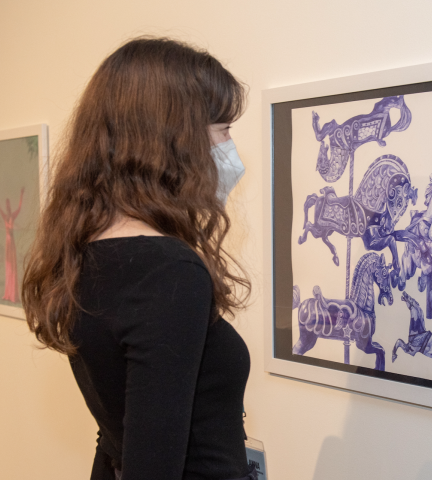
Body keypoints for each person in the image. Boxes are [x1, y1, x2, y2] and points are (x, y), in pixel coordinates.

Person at [22, 38, 256, 480]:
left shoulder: (81, 251)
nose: (230, 148)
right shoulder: (169, 271)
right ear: (174, 138)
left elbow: (118, 437)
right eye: (223, 129)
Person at [1, 187, 24, 302]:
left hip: (12, 242)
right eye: (7, 206)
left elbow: (19, 208)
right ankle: (7, 293)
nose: (8, 207)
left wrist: (21, 194)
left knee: (13, 267)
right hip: (8, 242)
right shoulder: (5, 216)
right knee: (8, 266)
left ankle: (13, 294)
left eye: (9, 206)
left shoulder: (13, 216)